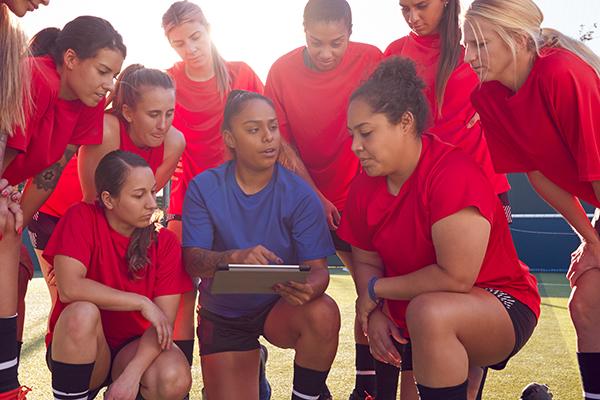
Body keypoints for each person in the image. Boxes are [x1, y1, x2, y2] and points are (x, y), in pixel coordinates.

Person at [338, 57, 541, 400]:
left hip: (500, 303)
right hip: (420, 313)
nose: (356, 145)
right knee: (427, 318)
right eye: (352, 134)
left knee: (430, 312)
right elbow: (366, 260)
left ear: (405, 122)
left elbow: (455, 278)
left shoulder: (452, 172)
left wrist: (377, 291)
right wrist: (372, 308)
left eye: (366, 133)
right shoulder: (363, 186)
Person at [463, 1, 600, 399]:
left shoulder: (562, 73)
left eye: (480, 44)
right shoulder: (486, 98)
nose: (469, 56)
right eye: (466, 44)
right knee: (587, 305)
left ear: (520, 40)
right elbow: (538, 174)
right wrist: (592, 243)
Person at [384, 1, 512, 397]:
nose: (412, 16)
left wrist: (491, 113)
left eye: (421, 5)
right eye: (404, 7)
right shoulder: (395, 53)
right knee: (417, 304)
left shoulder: (478, 45)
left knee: (467, 302)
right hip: (420, 201)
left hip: (482, 197)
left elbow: (523, 87)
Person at [182, 90, 340, 400]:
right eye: (254, 130)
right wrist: (234, 257)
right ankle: (252, 367)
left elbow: (320, 272)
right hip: (225, 314)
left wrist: (310, 288)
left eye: (273, 127)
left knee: (323, 312)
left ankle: (307, 395)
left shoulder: (299, 194)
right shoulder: (204, 186)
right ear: (230, 138)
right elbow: (193, 261)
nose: (268, 138)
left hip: (278, 308)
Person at [0, 16, 125, 399]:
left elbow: (49, 172)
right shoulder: (36, 77)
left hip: (6, 188)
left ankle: (6, 384)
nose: (109, 83)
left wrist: (17, 218)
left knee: (8, 235)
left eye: (114, 75)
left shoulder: (88, 102)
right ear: (70, 58)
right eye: (103, 71)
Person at [264, 1, 382, 397]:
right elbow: (279, 142)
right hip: (301, 200)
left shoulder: (372, 60)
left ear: (351, 32)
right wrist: (313, 195)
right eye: (317, 43)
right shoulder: (280, 71)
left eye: (337, 42)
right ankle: (295, 380)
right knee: (275, 285)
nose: (326, 53)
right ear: (303, 31)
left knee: (375, 292)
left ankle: (366, 387)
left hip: (361, 200)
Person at [28, 63, 185, 329]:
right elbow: (94, 203)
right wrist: (71, 257)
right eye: (153, 114)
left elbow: (141, 202)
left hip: (108, 217)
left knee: (114, 310)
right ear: (128, 112)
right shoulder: (107, 129)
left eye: (169, 113)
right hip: (59, 215)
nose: (162, 124)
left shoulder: (175, 141)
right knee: (71, 308)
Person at [161, 4, 265, 383]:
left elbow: (269, 140)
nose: (189, 49)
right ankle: (179, 382)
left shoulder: (241, 74)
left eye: (195, 37)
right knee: (179, 290)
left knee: (234, 294)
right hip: (187, 205)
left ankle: (252, 368)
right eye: (178, 44)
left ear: (209, 29)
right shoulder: (167, 82)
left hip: (240, 206)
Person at [43, 150, 193, 400]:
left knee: (172, 375)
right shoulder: (81, 217)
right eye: (138, 195)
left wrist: (131, 376)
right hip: (81, 346)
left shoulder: (164, 241)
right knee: (81, 313)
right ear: (108, 199)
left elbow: (162, 324)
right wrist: (141, 302)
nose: (152, 203)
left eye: (152, 191)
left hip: (135, 348)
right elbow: (69, 288)